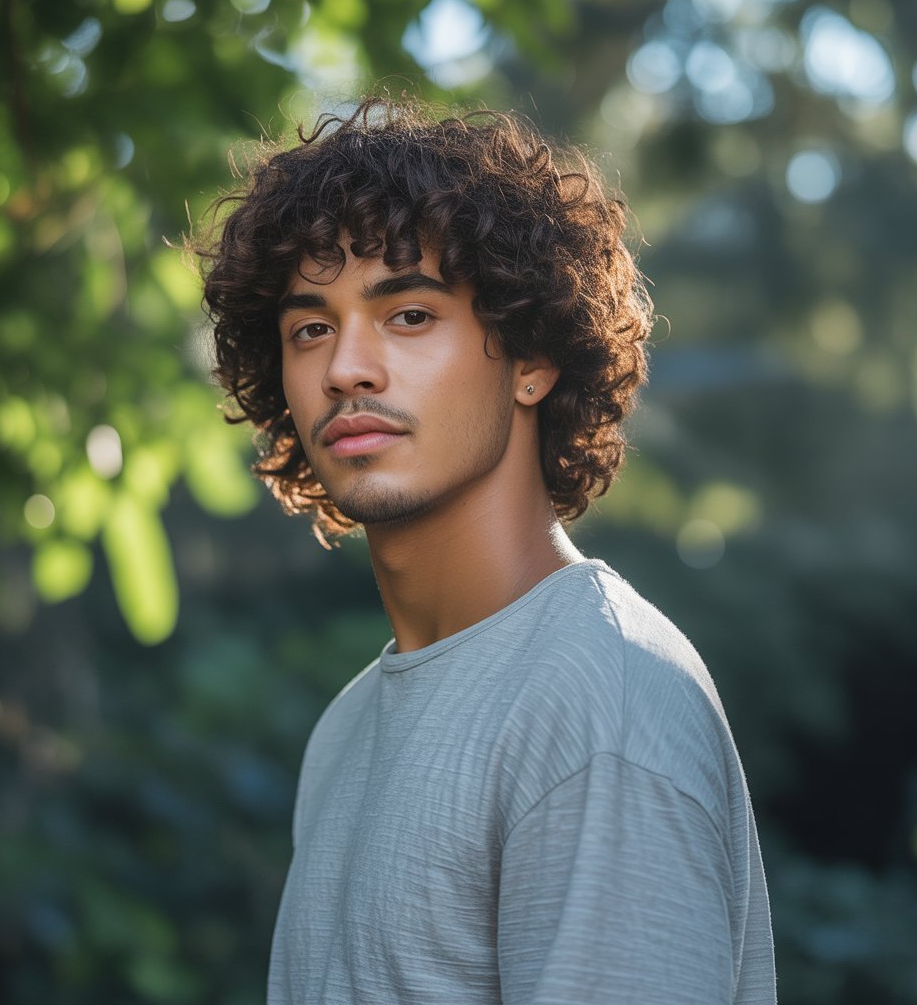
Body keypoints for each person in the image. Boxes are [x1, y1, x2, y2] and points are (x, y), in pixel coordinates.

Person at [198, 96, 776, 1004]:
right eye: (311, 328)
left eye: (410, 315)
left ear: (532, 358)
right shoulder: (344, 732)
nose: (346, 366)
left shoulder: (603, 703)